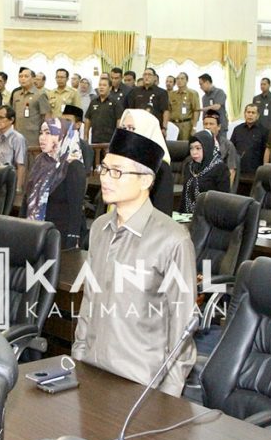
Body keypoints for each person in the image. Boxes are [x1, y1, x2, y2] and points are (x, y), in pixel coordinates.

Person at [72, 110, 196, 397]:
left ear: (145, 181)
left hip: (141, 385)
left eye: (117, 172)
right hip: (91, 374)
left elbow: (182, 332)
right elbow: (90, 302)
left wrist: (166, 399)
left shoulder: (172, 240)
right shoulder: (100, 227)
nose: (106, 178)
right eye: (105, 169)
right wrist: (78, 357)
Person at [22, 118, 87, 249]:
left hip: (60, 235)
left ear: (62, 135)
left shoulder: (73, 165)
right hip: (35, 230)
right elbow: (28, 197)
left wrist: (72, 239)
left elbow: (76, 209)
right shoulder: (40, 161)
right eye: (41, 133)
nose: (42, 138)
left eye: (48, 133)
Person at [182, 130, 229, 213]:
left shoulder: (219, 168)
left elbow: (223, 200)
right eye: (191, 148)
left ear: (206, 147)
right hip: (187, 215)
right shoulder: (189, 166)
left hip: (210, 216)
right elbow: (184, 197)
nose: (194, 152)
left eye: (198, 148)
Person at [11, 67, 51, 146]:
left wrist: (46, 135)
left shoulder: (40, 95)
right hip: (18, 135)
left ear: (33, 79)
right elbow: (13, 115)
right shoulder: (16, 94)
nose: (23, 79)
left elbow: (47, 116)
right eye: (20, 76)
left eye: (26, 76)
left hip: (34, 137)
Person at [0, 105, 28, 188]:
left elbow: (21, 165)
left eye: (1, 118)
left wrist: (18, 188)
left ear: (11, 120)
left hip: (8, 182)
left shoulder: (17, 138)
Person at [202, 110, 238, 189]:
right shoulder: (198, 143)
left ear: (219, 127)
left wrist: (226, 191)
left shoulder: (227, 145)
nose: (208, 127)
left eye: (211, 124)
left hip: (219, 185)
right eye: (205, 124)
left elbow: (231, 170)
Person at [230, 103, 267, 178]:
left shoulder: (264, 131)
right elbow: (231, 148)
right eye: (248, 112)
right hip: (238, 170)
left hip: (255, 171)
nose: (250, 115)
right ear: (244, 114)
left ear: (258, 115)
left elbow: (265, 152)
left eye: (253, 113)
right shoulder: (237, 129)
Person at [85, 77, 122, 144]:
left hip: (110, 140)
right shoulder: (93, 102)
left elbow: (119, 120)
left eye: (104, 85)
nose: (101, 87)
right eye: (100, 85)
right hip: (95, 139)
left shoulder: (115, 102)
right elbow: (88, 119)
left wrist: (117, 138)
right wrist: (86, 136)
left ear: (110, 88)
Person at [168, 72, 201, 141]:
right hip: (173, 124)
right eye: (177, 79)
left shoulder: (192, 93)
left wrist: (194, 127)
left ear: (187, 80)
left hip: (186, 125)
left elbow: (196, 110)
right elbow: (168, 110)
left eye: (182, 79)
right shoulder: (172, 94)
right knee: (172, 144)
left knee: (184, 145)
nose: (179, 81)